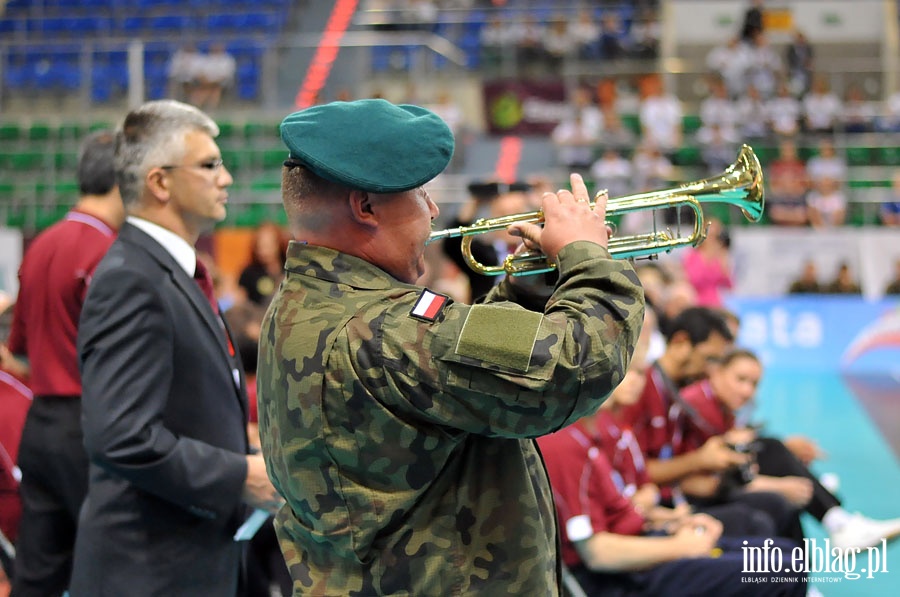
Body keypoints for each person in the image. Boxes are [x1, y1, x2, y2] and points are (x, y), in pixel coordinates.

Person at [255, 98, 645, 596]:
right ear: (366, 206)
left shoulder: (303, 304)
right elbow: (577, 364)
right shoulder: (385, 326)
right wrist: (587, 256)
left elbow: (465, 364)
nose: (434, 210)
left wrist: (530, 286)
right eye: (420, 194)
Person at [71, 100, 281, 596]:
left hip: (185, 554)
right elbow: (120, 436)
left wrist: (246, 447)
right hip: (149, 567)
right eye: (209, 165)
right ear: (160, 182)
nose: (225, 178)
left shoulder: (168, 272)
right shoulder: (131, 280)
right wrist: (239, 475)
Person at [537, 317, 805, 596]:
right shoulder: (565, 444)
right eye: (628, 371)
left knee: (786, 556)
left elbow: (627, 506)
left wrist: (674, 522)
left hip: (646, 541)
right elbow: (597, 553)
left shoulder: (600, 430)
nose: (634, 381)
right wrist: (683, 546)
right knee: (780, 568)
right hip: (622, 578)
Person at [0, 130, 122, 597]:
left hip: (41, 424)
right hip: (87, 426)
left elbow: (21, 349)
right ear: (122, 180)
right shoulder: (110, 250)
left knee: (38, 572)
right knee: (113, 565)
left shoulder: (42, 244)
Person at [680, 348, 900, 549]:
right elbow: (698, 480)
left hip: (718, 485)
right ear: (716, 372)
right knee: (780, 486)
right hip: (696, 500)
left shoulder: (720, 406)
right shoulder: (697, 406)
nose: (747, 391)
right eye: (740, 379)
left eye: (754, 384)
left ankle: (831, 529)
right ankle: (836, 524)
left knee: (777, 454)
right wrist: (772, 484)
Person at [237, 222, 290, 307]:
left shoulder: (290, 268)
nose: (263, 251)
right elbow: (240, 301)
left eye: (267, 246)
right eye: (259, 246)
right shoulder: (249, 273)